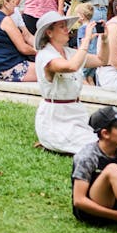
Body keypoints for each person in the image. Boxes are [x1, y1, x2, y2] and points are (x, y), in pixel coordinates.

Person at [33, 9, 104, 154]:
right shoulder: (45, 55)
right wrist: (85, 41)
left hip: (76, 114)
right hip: (54, 120)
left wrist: (105, 39)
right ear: (49, 33)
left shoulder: (70, 52)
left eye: (66, 26)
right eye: (61, 27)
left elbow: (102, 60)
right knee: (96, 148)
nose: (67, 30)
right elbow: (71, 66)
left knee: (108, 143)